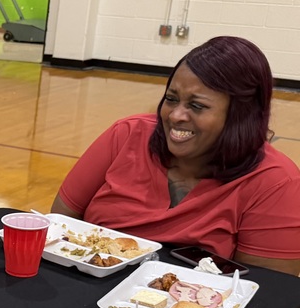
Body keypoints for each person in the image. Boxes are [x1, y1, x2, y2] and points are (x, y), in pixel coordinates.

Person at [52, 36, 300, 275]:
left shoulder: (275, 182)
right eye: (171, 99)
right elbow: (58, 226)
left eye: (197, 106)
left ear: (241, 115)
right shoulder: (127, 135)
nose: (175, 115)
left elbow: (267, 290)